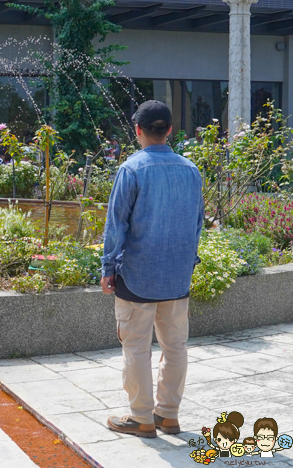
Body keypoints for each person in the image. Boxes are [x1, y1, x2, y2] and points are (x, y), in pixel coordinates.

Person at [101, 100, 204, 438]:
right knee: (175, 347)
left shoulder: (131, 169)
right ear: (170, 130)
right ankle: (168, 415)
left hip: (137, 275)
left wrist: (108, 267)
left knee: (136, 347)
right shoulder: (190, 170)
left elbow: (116, 225)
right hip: (177, 276)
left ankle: (141, 418)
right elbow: (198, 224)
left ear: (138, 131)